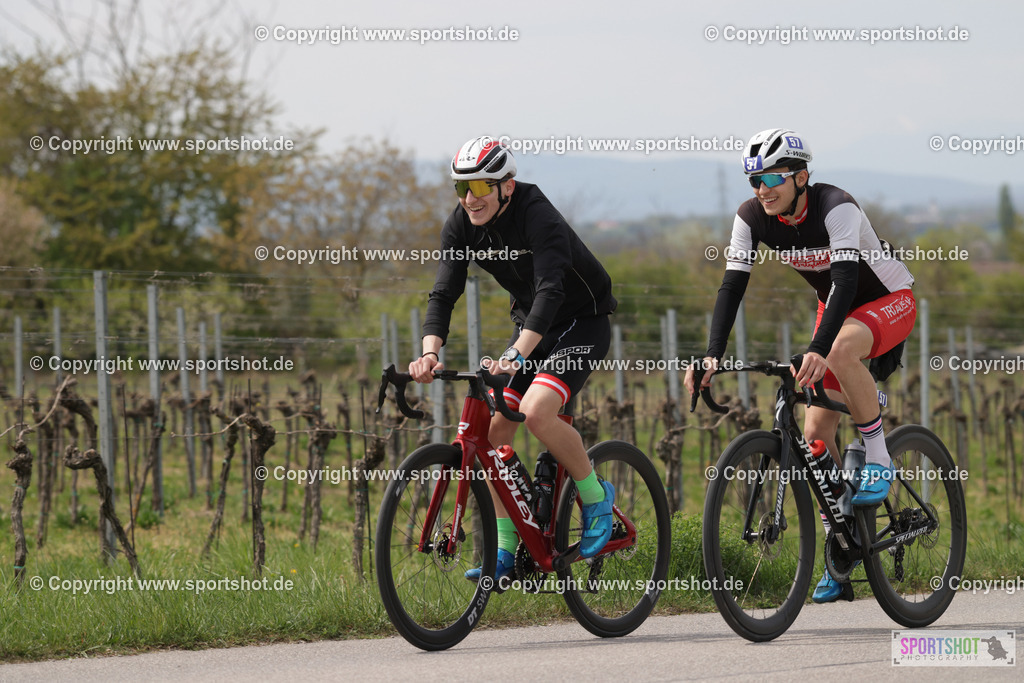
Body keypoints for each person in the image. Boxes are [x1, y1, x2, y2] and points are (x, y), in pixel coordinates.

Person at [684, 128, 916, 603]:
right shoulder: (751, 217)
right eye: (753, 180)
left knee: (833, 351)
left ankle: (878, 455)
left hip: (888, 299)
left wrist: (818, 345)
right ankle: (842, 545)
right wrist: (712, 354)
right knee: (814, 438)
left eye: (771, 177)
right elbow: (731, 287)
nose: (762, 189)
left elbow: (848, 280)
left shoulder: (837, 207)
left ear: (802, 176)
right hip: (836, 307)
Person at [409, 136, 618, 583]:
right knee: (492, 433)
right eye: (461, 188)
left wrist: (513, 355)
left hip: (581, 320)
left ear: (507, 185)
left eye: (481, 187)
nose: (470, 198)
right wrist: (429, 352)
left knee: (538, 414)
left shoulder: (537, 215)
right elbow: (444, 291)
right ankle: (508, 545)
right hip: (532, 329)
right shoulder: (461, 224)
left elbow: (551, 290)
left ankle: (596, 497)